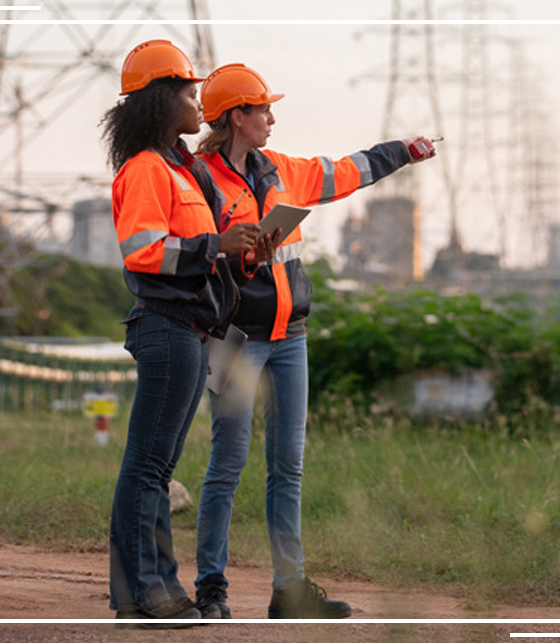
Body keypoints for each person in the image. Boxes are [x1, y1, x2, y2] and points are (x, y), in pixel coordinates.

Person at [192, 63, 437, 620]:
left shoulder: (280, 170)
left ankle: (290, 591)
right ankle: (212, 590)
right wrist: (229, 252)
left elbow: (346, 171)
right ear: (236, 116)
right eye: (262, 110)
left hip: (289, 339)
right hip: (233, 339)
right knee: (227, 465)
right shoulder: (200, 181)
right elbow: (193, 251)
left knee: (288, 467)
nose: (272, 118)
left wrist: (403, 150)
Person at [101, 41, 277, 627]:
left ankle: (153, 593)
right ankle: (146, 594)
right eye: (185, 91)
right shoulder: (147, 170)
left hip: (191, 328)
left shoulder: (184, 168)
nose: (196, 99)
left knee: (158, 464)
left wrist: (245, 250)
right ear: (159, 101)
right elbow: (145, 254)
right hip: (166, 326)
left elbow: (205, 255)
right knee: (148, 466)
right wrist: (215, 246)